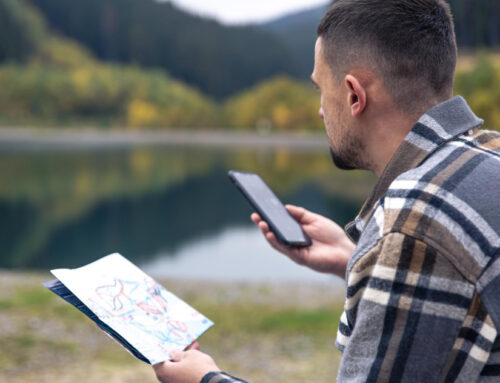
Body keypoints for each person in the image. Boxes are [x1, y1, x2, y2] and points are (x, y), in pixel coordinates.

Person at [153, 0, 500, 381]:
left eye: (321, 88)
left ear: (354, 95)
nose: (320, 110)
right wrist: (354, 259)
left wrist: (207, 379)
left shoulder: (416, 221)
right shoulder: (489, 155)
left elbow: (426, 241)